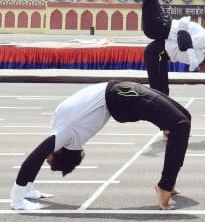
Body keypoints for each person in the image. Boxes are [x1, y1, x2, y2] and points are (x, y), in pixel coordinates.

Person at [10, 81, 191, 210]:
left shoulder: (64, 133)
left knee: (184, 117)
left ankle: (169, 182)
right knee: (180, 124)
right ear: (62, 154)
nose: (47, 157)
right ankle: (165, 186)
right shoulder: (66, 134)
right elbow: (36, 157)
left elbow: (39, 157)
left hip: (117, 91)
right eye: (51, 160)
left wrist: (27, 188)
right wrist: (17, 198)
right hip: (119, 96)